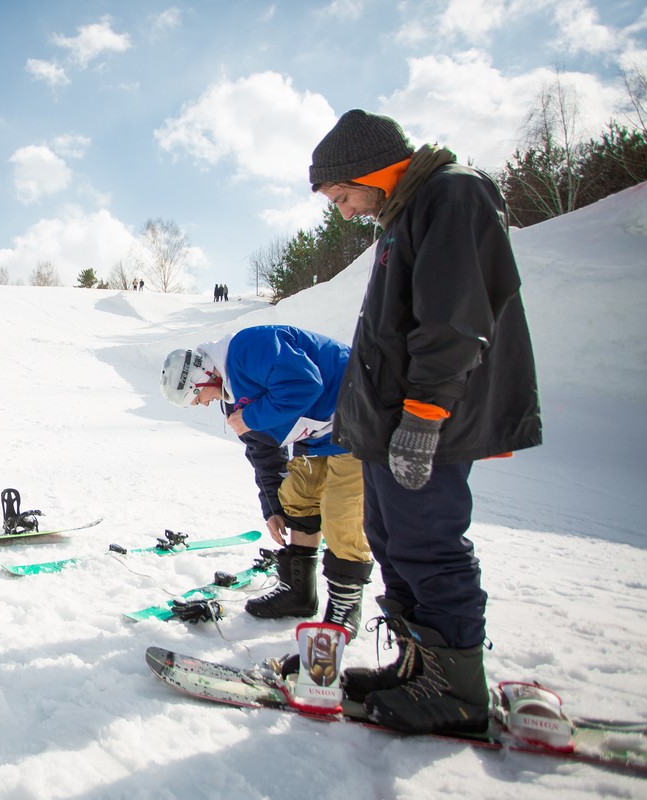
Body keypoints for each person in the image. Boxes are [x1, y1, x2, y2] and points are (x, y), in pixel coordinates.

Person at [309, 110, 541, 735]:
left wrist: (422, 418)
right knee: (392, 539)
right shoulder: (404, 213)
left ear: (372, 172)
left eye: (343, 195)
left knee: (430, 546)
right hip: (391, 427)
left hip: (424, 425)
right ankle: (421, 668)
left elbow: (455, 321)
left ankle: (458, 692)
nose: (344, 211)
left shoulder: (451, 194)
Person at [160, 325, 373, 638]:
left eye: (197, 398)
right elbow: (263, 452)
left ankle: (344, 604)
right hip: (318, 434)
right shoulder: (232, 398)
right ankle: (298, 593)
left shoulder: (249, 348)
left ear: (202, 377)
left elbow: (305, 384)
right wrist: (272, 508)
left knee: (341, 511)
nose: (203, 404)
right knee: (297, 497)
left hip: (358, 413)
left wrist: (250, 417)